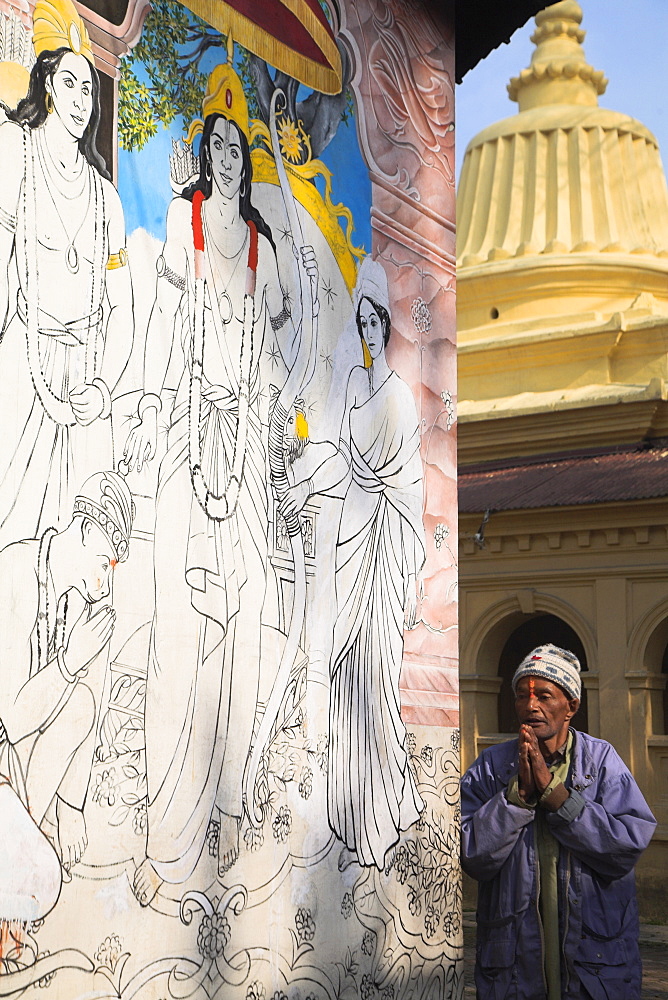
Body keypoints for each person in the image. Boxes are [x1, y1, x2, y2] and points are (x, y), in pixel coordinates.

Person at [124, 59, 318, 905]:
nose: (231, 155)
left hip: (247, 442)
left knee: (251, 621)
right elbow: (165, 306)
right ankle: (173, 814)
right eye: (220, 144)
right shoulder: (186, 219)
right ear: (204, 155)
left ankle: (236, 796)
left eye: (242, 146)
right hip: (191, 433)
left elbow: (284, 334)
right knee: (183, 623)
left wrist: (278, 436)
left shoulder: (263, 243)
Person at [280, 258, 425, 869]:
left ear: (387, 327)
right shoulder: (349, 391)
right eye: (360, 319)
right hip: (346, 548)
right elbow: (333, 454)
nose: (367, 329)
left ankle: (382, 819)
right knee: (342, 685)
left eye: (375, 321)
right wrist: (300, 477)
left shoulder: (398, 397)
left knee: (373, 687)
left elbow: (408, 486)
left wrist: (393, 545)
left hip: (381, 554)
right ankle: (347, 817)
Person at [0, 0, 133, 548]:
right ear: (49, 85)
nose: (82, 101)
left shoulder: (107, 201)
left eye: (90, 90)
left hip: (86, 387)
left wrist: (103, 386)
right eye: (72, 84)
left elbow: (123, 309)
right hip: (22, 368)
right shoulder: (14, 155)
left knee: (77, 553)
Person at [461, 643, 657, 1000]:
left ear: (571, 706)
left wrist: (556, 795)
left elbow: (626, 846)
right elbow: (472, 854)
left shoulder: (601, 762)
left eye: (544, 696)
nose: (530, 706)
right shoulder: (490, 767)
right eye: (522, 696)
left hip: (595, 971)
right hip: (513, 971)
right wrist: (517, 797)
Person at [0, 470, 134, 878]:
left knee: (80, 703)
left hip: (19, 763)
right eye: (105, 565)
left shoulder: (82, 605)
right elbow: (12, 720)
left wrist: (72, 807)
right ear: (86, 531)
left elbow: (87, 705)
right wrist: (68, 663)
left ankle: (20, 843)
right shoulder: (15, 569)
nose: (106, 584)